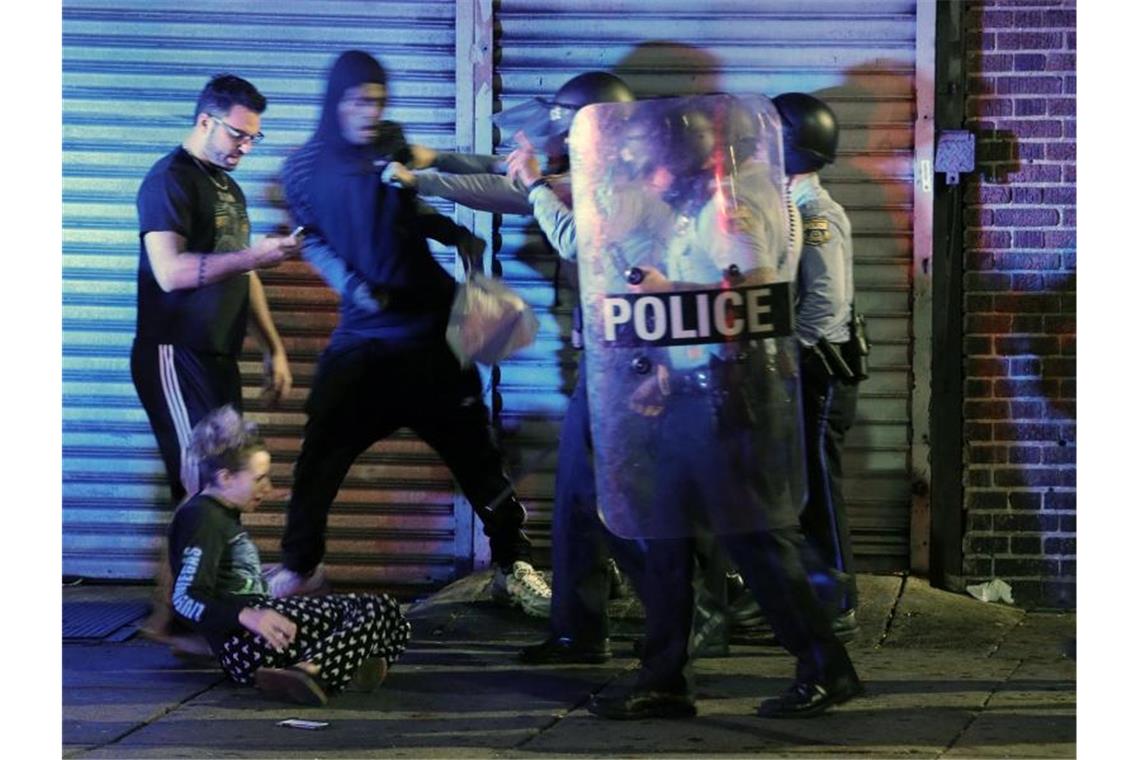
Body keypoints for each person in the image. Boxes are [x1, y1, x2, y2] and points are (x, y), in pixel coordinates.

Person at [581, 95, 863, 720]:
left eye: (652, 163)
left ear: (679, 162)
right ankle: (663, 678)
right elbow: (707, 318)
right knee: (668, 536)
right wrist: (667, 375)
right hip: (696, 393)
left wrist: (667, 290)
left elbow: (758, 294)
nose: (644, 175)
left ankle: (824, 665)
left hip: (726, 402)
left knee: (757, 540)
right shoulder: (698, 210)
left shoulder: (726, 211)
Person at [268, 50, 550, 617]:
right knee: (321, 452)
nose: (370, 112)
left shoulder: (390, 143)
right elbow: (314, 238)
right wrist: (350, 283)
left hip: (431, 333)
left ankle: (513, 564)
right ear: (335, 102)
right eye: (358, 101)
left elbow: (413, 196)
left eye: (377, 100)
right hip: (365, 340)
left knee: (477, 455)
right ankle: (300, 567)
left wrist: (450, 229)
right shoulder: (302, 170)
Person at [397, 72, 660, 664]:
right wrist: (427, 169)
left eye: (562, 124)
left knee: (622, 504)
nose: (549, 135)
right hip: (601, 360)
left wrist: (531, 182)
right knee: (581, 503)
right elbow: (499, 176)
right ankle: (581, 630)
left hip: (627, 364)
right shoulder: (583, 174)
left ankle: (680, 621)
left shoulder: (623, 185)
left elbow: (572, 239)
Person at [132, 74, 301, 646]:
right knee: (202, 487)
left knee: (203, 486)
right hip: (174, 354)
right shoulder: (168, 181)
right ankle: (188, 618)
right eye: (237, 134)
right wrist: (257, 253)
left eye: (253, 138)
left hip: (219, 354)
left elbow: (244, 271)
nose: (244, 148)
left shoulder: (228, 188)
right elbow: (171, 272)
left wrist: (272, 345)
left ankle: (169, 617)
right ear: (205, 121)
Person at [169, 406, 410, 706]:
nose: (267, 488)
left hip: (262, 639)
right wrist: (248, 615)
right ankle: (312, 670)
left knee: (397, 623)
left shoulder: (221, 516)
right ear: (226, 477)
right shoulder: (203, 518)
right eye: (259, 478)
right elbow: (184, 598)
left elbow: (230, 584)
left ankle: (341, 666)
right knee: (381, 609)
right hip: (246, 646)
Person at [774, 92, 861, 638]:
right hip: (806, 368)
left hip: (820, 371)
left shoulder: (817, 213)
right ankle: (808, 591)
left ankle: (838, 601)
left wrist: (792, 355)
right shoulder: (790, 204)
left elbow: (826, 301)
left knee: (820, 488)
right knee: (799, 486)